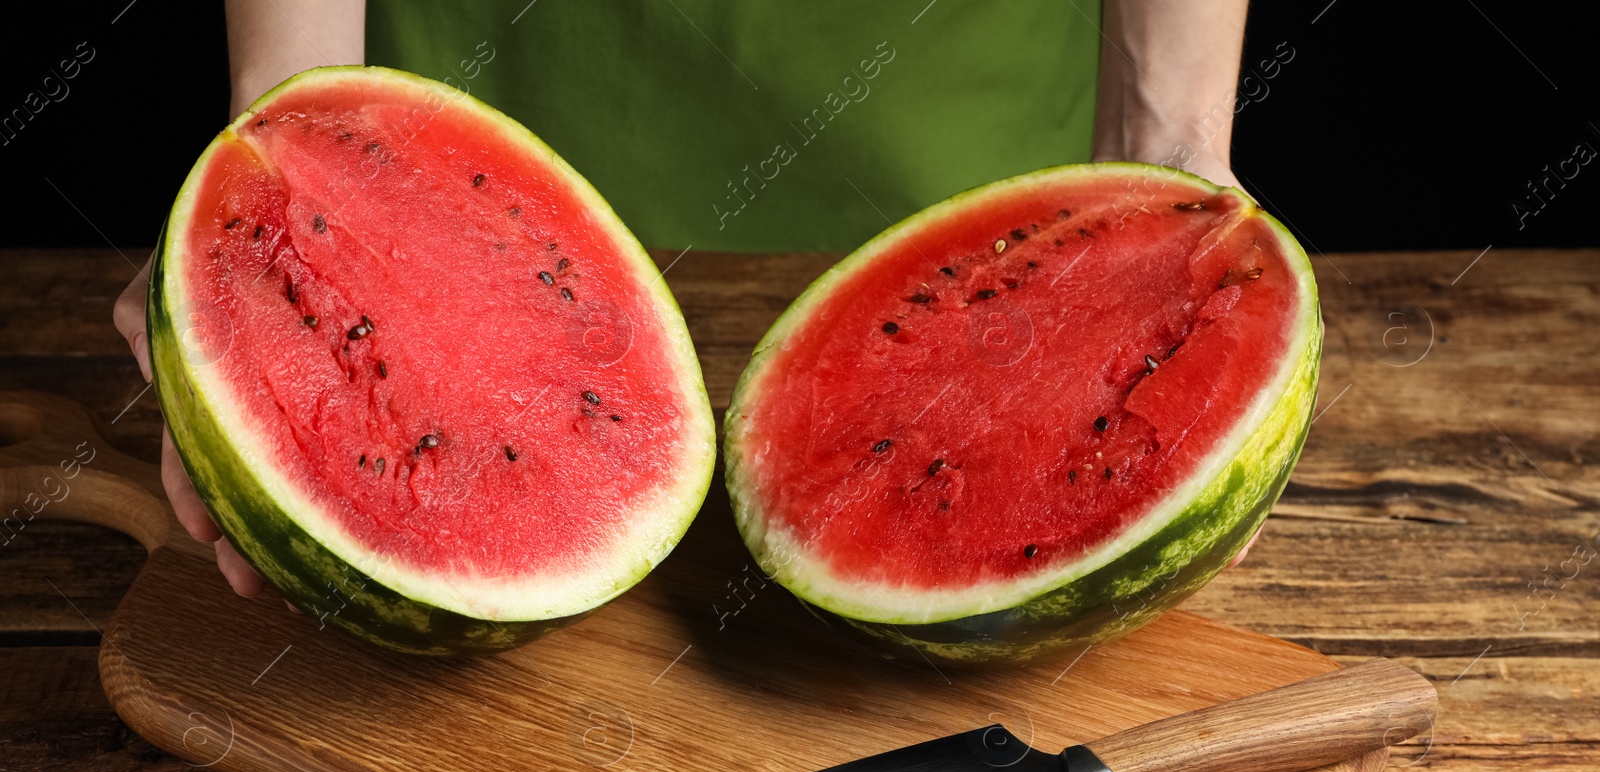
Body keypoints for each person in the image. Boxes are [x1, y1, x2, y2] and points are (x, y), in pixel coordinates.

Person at [113, 0, 1255, 597]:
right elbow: (286, 136)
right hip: (504, 62)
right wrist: (283, 128)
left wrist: (1168, 145)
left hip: (950, 101)